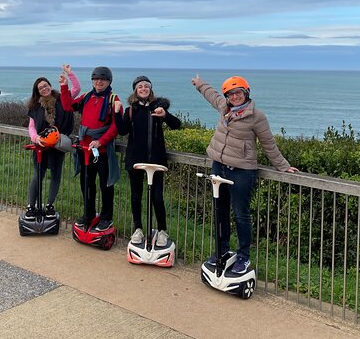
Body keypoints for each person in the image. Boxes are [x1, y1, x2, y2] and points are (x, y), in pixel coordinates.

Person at [191, 74, 299, 274]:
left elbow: (268, 143)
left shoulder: (256, 116)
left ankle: (243, 257)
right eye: (231, 93)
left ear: (246, 93)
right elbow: (211, 94)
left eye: (238, 92)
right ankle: (222, 251)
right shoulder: (224, 107)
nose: (235, 96)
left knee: (241, 215)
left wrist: (283, 166)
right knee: (220, 212)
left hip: (242, 171)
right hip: (218, 167)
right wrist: (199, 84)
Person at [114, 75, 181, 247]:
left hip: (156, 160)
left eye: (146, 86)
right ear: (135, 90)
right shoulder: (131, 110)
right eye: (140, 87)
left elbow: (176, 125)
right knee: (136, 197)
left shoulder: (158, 108)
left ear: (150, 89)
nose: (143, 89)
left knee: (157, 198)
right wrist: (116, 113)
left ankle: (162, 231)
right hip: (135, 160)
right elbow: (121, 130)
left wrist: (164, 115)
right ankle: (138, 229)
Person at [60, 66, 121, 231]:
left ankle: (106, 218)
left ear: (109, 81)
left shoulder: (113, 100)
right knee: (86, 184)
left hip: (101, 151)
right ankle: (88, 215)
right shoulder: (87, 96)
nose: (99, 82)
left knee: (105, 185)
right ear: (93, 80)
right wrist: (64, 86)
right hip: (85, 150)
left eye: (103, 79)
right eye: (96, 79)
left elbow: (115, 127)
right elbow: (67, 106)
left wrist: (101, 141)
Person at [25, 65, 81, 219]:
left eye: (46, 85)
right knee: (37, 176)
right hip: (41, 147)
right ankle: (31, 206)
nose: (44, 89)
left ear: (50, 86)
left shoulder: (63, 99)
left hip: (58, 146)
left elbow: (77, 88)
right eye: (40, 88)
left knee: (56, 176)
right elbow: (31, 127)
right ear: (37, 91)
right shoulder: (35, 107)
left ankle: (49, 205)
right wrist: (36, 138)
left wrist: (69, 74)